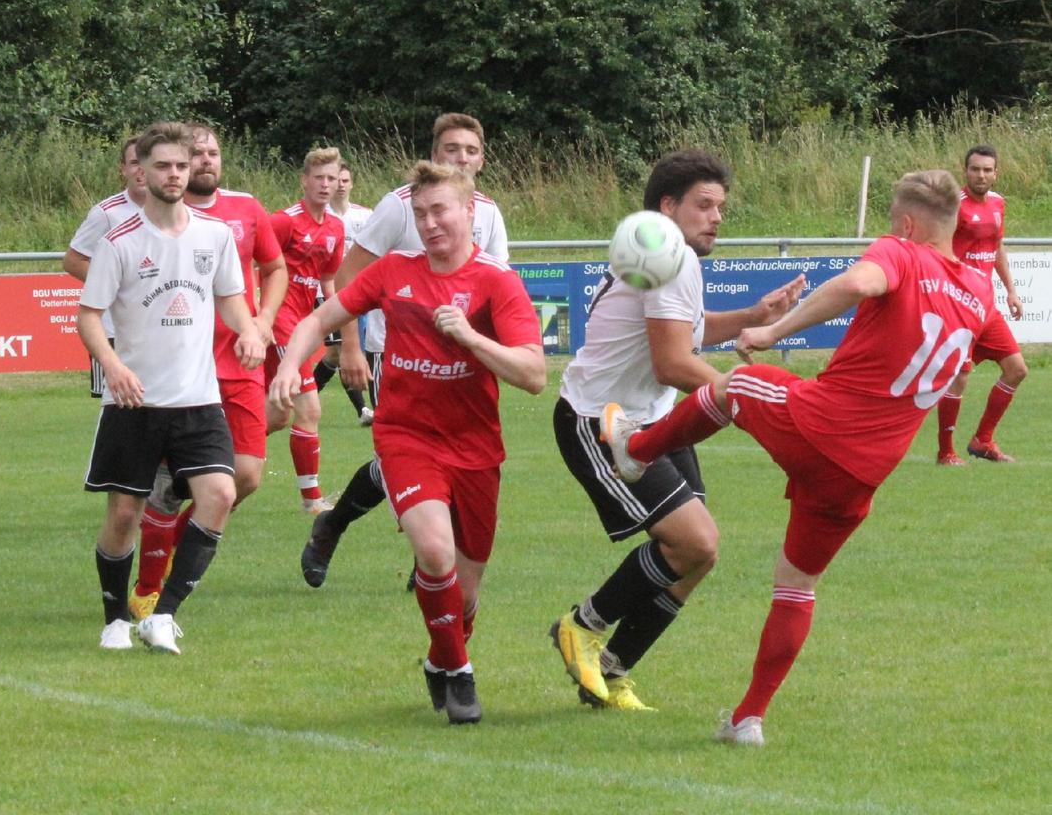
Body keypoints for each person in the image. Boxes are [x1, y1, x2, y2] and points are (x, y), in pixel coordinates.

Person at [600, 170, 993, 746]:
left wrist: (773, 330)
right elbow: (966, 364)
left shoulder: (901, 253)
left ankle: (634, 451)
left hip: (825, 425)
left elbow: (858, 284)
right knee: (797, 585)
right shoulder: (980, 294)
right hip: (865, 472)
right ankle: (748, 718)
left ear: (907, 226)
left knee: (737, 384)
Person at [270, 160, 544, 723]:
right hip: (407, 438)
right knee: (435, 552)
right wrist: (287, 366)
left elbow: (533, 375)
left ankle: (443, 658)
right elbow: (316, 320)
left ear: (470, 212)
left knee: (463, 596)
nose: (430, 222)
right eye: (419, 213)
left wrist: (469, 337)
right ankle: (461, 673)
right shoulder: (394, 270)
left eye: (440, 210)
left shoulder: (496, 282)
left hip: (475, 446)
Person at [548, 151, 804, 711]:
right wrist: (749, 398)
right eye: (704, 205)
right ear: (669, 207)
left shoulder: (666, 254)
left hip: (651, 414)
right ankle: (581, 626)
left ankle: (613, 671)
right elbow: (673, 363)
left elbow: (682, 331)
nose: (717, 217)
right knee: (694, 542)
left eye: (721, 207)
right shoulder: (667, 257)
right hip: (601, 420)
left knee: (698, 553)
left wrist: (753, 316)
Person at [77, 121, 266, 654]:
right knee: (123, 515)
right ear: (141, 169)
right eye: (163, 166)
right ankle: (115, 618)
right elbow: (89, 316)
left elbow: (231, 297)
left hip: (198, 400)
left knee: (222, 493)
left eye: (182, 165)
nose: (175, 174)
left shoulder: (215, 235)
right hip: (134, 402)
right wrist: (112, 366)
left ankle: (163, 615)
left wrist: (249, 329)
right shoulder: (119, 241)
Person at [300, 113, 510, 590]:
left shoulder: (489, 213)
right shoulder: (400, 206)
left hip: (465, 365)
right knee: (411, 455)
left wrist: (497, 351)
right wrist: (349, 346)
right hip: (401, 353)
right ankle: (341, 529)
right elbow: (348, 280)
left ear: (482, 158)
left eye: (471, 151)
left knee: (452, 460)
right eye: (451, 149)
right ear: (434, 155)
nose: (461, 158)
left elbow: (500, 287)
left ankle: (355, 532)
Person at [124, 122, 286, 621]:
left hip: (239, 361)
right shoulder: (158, 214)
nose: (207, 160)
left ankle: (171, 532)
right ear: (179, 163)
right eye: (197, 154)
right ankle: (149, 587)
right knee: (167, 484)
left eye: (215, 152)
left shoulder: (247, 210)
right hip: (181, 364)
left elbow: (275, 269)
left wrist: (260, 324)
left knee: (248, 476)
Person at [933, 144, 1027, 464]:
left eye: (987, 170)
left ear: (996, 172)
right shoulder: (953, 206)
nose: (981, 175)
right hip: (958, 307)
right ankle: (946, 451)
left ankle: (982, 440)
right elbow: (934, 250)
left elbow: (996, 246)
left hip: (987, 308)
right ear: (965, 171)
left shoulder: (999, 203)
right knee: (959, 377)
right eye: (975, 169)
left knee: (1016, 370)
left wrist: (1011, 291)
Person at [267, 147, 346, 514]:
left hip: (302, 325)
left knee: (278, 416)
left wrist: (339, 326)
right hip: (278, 322)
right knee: (309, 408)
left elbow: (328, 281)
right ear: (304, 180)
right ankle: (311, 501)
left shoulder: (336, 228)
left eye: (332, 178)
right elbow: (253, 264)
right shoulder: (284, 221)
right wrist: (259, 317)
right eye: (319, 177)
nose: (326, 184)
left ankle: (213, 452)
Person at [64, 135, 146, 399]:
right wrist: (116, 284)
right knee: (117, 404)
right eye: (134, 163)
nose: (141, 170)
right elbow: (73, 260)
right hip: (113, 330)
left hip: (157, 329)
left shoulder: (178, 211)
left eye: (147, 162)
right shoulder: (107, 212)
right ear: (122, 168)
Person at [314, 161, 374, 423]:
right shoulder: (321, 216)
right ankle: (363, 410)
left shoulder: (365, 216)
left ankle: (306, 397)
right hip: (326, 291)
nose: (341, 185)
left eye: (346, 181)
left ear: (352, 184)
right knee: (341, 350)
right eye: (337, 180)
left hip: (360, 293)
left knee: (338, 353)